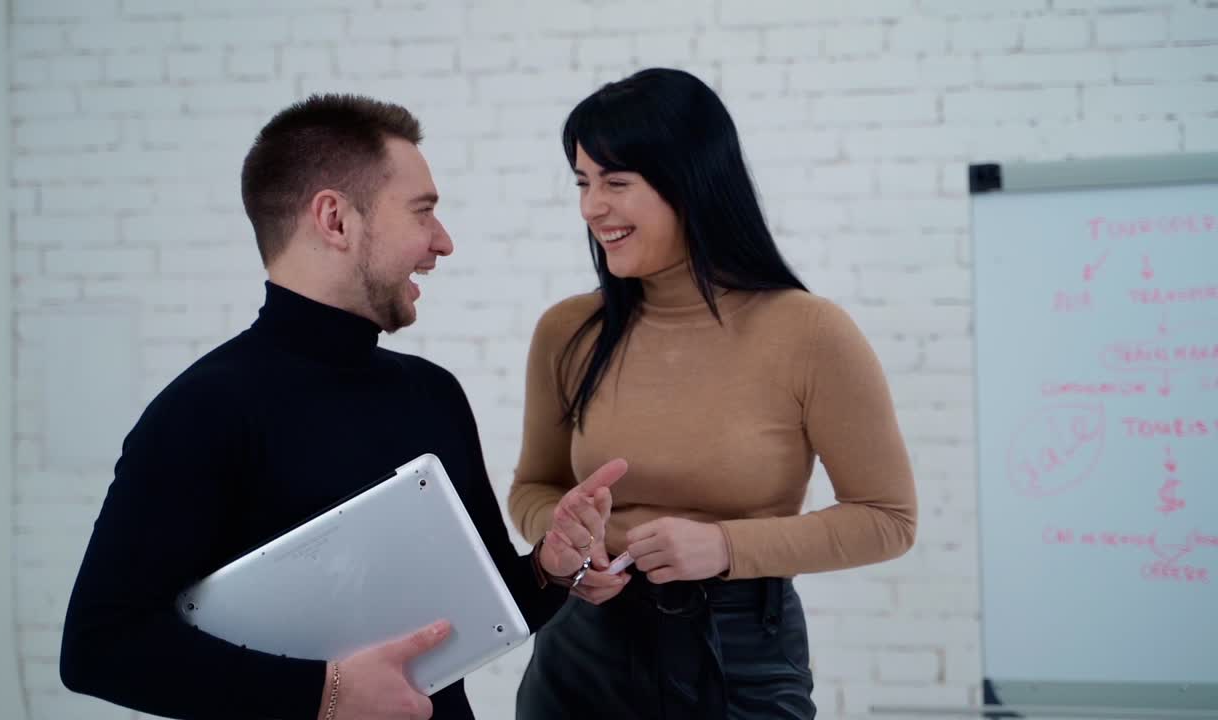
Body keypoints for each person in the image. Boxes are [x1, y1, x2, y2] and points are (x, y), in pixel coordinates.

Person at [59, 93, 626, 720]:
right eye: (422, 212)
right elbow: (98, 647)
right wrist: (325, 696)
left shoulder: (431, 391)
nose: (443, 242)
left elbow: (492, 606)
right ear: (335, 219)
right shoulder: (201, 411)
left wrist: (549, 567)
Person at [507, 68, 919, 719]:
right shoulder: (568, 332)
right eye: (582, 183)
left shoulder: (809, 332)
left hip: (740, 649)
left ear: (691, 182)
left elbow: (887, 519)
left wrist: (727, 547)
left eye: (616, 182)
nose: (591, 207)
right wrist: (566, 546)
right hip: (580, 649)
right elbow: (534, 487)